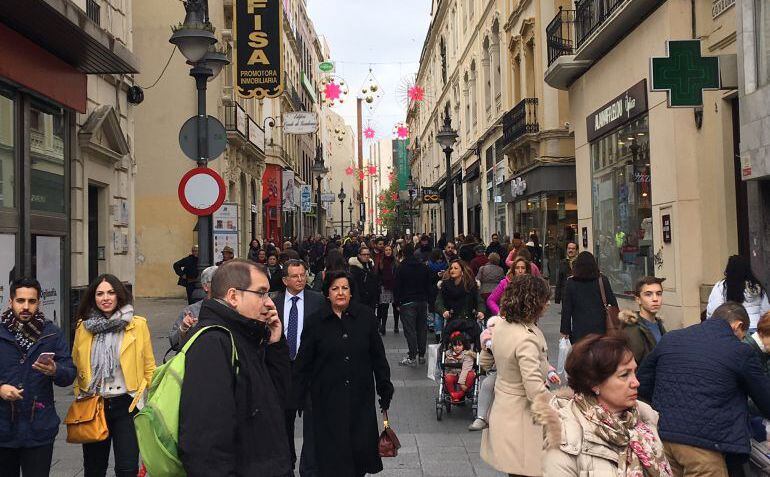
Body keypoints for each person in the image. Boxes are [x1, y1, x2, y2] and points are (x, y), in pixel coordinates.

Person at [178, 259, 291, 476]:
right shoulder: (213, 343)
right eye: (261, 293)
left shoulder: (248, 335)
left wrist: (275, 343)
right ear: (233, 296)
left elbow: (279, 400)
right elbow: (205, 446)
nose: (269, 303)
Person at [638, 302, 770, 476]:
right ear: (738, 326)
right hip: (705, 447)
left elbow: (642, 382)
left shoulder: (671, 338)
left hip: (662, 438)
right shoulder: (740, 351)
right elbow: (765, 400)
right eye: (742, 334)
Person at [293, 270, 395, 477]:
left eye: (345, 288)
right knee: (331, 458)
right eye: (335, 288)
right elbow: (304, 362)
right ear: (327, 293)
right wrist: (299, 396)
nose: (340, 293)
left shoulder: (365, 317)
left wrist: (384, 387)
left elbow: (378, 357)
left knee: (358, 455)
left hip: (359, 398)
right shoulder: (315, 322)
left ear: (351, 293)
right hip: (326, 400)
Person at [539, 334, 672, 477]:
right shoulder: (565, 442)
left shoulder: (645, 418)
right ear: (594, 383)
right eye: (624, 375)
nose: (636, 383)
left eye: (634, 372)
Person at [71, 274, 156, 477]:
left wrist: (148, 402)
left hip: (127, 404)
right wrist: (80, 395)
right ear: (93, 298)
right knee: (93, 469)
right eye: (100, 294)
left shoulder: (137, 325)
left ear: (119, 296)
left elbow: (149, 366)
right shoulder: (83, 327)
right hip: (94, 405)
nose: (106, 298)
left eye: (111, 292)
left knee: (127, 468)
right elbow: (76, 363)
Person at [0, 278, 76, 477]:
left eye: (31, 301)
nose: (26, 306)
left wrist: (55, 370)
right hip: (3, 429)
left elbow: (69, 374)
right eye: (20, 300)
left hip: (39, 429)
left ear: (38, 303)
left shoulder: (51, 334)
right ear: (11, 302)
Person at [480, 274, 552, 475]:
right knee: (528, 469)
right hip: (523, 418)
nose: (548, 304)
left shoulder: (501, 326)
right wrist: (556, 410)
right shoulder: (526, 339)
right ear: (533, 301)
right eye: (545, 299)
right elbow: (533, 388)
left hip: (504, 409)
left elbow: (486, 362)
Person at [272, 259, 325, 476]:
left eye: (303, 275)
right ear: (285, 280)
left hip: (311, 371)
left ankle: (309, 469)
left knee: (312, 423)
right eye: (295, 276)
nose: (301, 279)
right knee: (284, 421)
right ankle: (287, 464)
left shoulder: (318, 301)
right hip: (284, 371)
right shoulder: (273, 303)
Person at [560, 251, 618, 343]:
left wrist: (565, 330)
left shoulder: (571, 283)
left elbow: (566, 309)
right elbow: (613, 302)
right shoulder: (602, 280)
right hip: (601, 327)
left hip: (580, 329)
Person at [394, 243, 433, 367]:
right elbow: (429, 284)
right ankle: (421, 355)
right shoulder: (423, 267)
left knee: (410, 330)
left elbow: (397, 286)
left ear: (403, 253)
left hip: (407, 302)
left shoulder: (401, 267)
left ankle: (412, 356)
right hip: (422, 301)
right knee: (422, 329)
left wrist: (397, 302)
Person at [707, 255, 769, 331]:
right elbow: (765, 311)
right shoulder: (756, 286)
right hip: (755, 328)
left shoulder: (721, 286)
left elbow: (715, 310)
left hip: (733, 329)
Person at [619, 276, 666, 366]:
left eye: (659, 294)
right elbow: (633, 367)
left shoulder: (659, 324)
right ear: (638, 299)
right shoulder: (632, 329)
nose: (655, 299)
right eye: (648, 294)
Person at [169, 265, 217, 351]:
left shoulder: (234, 309)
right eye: (217, 282)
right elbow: (174, 342)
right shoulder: (192, 311)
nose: (222, 286)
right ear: (205, 286)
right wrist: (183, 329)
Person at [469, 315, 502, 431]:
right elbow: (485, 335)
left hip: (516, 369)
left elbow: (541, 358)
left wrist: (549, 372)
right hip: (499, 369)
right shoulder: (496, 325)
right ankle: (481, 417)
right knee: (487, 384)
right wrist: (489, 343)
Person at [436, 260, 486, 324]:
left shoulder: (471, 285)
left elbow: (479, 300)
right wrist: (443, 311)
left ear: (462, 271)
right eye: (451, 268)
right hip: (451, 321)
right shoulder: (445, 285)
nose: (452, 270)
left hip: (469, 321)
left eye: (455, 268)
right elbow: (439, 301)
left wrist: (481, 311)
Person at [443, 331, 476, 403]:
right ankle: (452, 395)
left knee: (471, 374)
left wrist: (461, 383)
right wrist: (448, 360)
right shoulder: (449, 354)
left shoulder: (468, 355)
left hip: (464, 376)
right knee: (448, 378)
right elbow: (446, 369)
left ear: (464, 345)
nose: (457, 347)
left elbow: (466, 369)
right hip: (453, 374)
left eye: (459, 345)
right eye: (455, 345)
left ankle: (461, 393)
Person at [376, 244, 399, 336]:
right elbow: (378, 274)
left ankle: (396, 325)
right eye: (386, 250)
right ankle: (383, 326)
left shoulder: (396, 262)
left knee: (395, 307)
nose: (388, 251)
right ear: (384, 252)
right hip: (384, 286)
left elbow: (398, 274)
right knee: (384, 307)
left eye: (389, 250)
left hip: (394, 286)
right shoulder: (381, 262)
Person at [348, 246, 381, 310]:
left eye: (368, 254)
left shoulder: (370, 265)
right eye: (364, 254)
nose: (366, 256)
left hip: (371, 300)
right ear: (359, 255)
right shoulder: (354, 268)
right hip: (361, 301)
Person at [427, 248, 449, 342]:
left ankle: (438, 331)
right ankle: (437, 331)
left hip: (443, 290)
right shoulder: (429, 266)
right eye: (438, 258)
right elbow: (428, 278)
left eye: (441, 258)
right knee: (436, 312)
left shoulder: (446, 265)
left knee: (439, 312)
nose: (440, 260)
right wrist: (437, 275)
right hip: (433, 290)